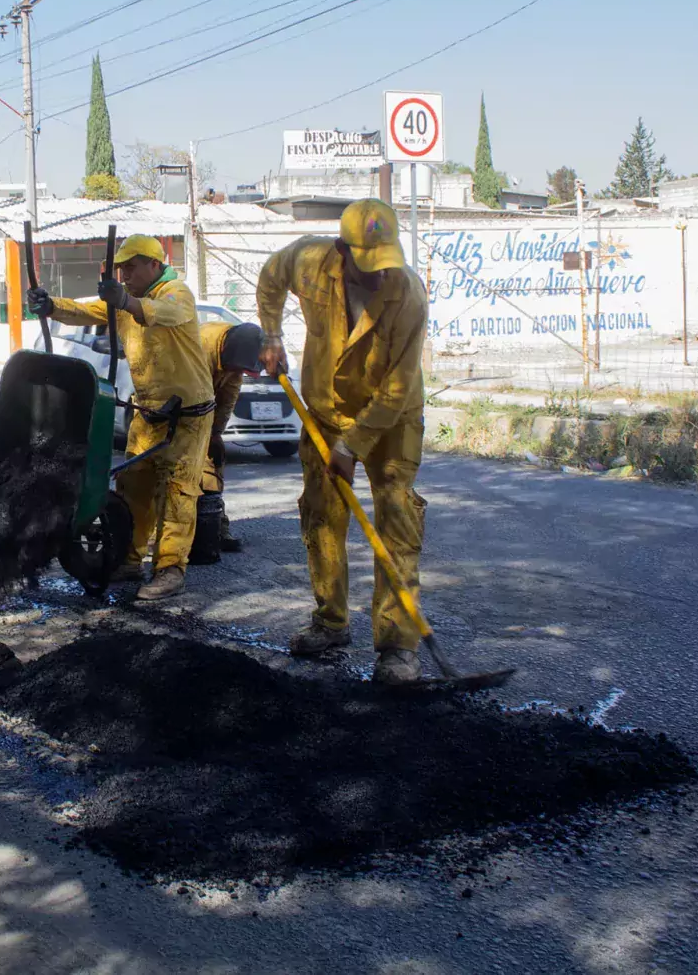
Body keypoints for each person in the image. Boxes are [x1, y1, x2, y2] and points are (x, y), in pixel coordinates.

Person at [255, 198, 430, 686]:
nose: (378, 276)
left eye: (385, 263)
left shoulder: (408, 295)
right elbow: (271, 277)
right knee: (321, 517)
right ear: (341, 250)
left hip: (390, 421)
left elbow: (397, 387)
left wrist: (354, 447)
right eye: (367, 264)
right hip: (326, 412)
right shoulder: (309, 260)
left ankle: (398, 647)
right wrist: (271, 334)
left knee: (396, 524)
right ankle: (330, 622)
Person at [27, 234, 214, 601]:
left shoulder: (175, 292)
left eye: (131, 266)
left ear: (154, 265)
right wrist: (49, 305)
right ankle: (128, 560)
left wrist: (126, 300)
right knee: (133, 489)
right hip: (148, 410)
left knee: (178, 491)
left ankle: (170, 569)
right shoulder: (123, 304)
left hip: (187, 414)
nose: (125, 273)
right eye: (121, 268)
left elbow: (170, 314)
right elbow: (84, 312)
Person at [198, 320, 264, 554]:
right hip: (179, 409)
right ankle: (168, 534)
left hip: (204, 408)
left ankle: (216, 526)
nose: (238, 373)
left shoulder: (234, 360)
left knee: (214, 464)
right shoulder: (202, 347)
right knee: (178, 472)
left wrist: (216, 434)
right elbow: (194, 396)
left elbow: (228, 396)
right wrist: (205, 434)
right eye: (237, 368)